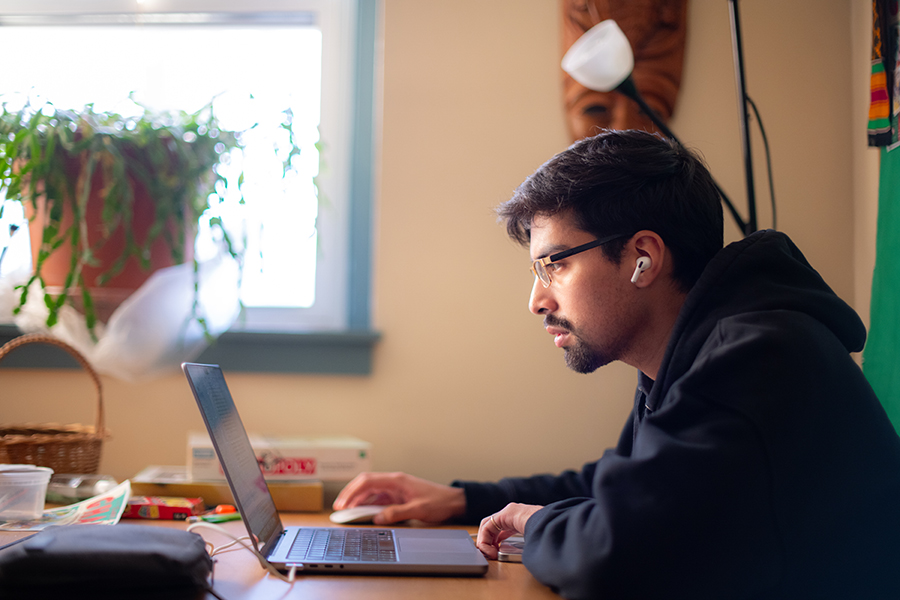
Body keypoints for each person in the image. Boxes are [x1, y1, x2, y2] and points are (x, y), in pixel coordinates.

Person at [334, 129, 900, 599]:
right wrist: (461, 499)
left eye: (552, 264)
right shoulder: (697, 351)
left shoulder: (756, 358)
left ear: (643, 258)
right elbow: (616, 483)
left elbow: (616, 553)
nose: (537, 300)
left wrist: (533, 522)